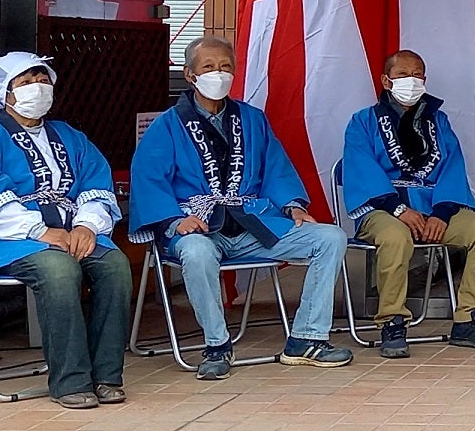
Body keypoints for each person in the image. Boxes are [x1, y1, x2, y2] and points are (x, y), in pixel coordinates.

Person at [129, 35, 351, 380]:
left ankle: (307, 338)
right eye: (208, 67)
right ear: (190, 75)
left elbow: (275, 167)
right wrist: (174, 220)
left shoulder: (252, 119)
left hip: (253, 224)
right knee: (198, 252)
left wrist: (292, 206)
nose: (218, 73)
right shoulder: (167, 125)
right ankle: (216, 345)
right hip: (197, 226)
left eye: (225, 67)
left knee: (330, 238)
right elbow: (149, 178)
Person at [0, 52, 130, 409]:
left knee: (115, 267)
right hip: (9, 240)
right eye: (27, 80)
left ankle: (106, 375)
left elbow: (96, 181)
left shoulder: (69, 135)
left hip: (71, 233)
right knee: (59, 270)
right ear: (5, 93)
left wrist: (87, 225)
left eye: (43, 79)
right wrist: (37, 230)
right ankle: (70, 380)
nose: (39, 87)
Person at [340, 48, 475, 355]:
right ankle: (392, 321)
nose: (411, 81)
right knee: (394, 235)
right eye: (403, 75)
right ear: (386, 81)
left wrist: (441, 213)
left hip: (434, 210)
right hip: (383, 210)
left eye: (417, 75)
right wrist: (400, 210)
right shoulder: (362, 122)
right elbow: (361, 170)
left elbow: (452, 167)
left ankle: (468, 319)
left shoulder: (438, 121)